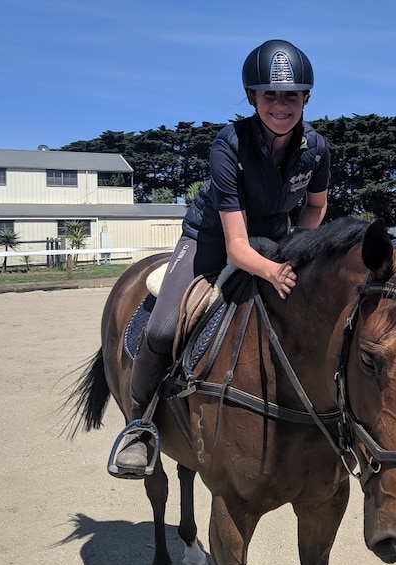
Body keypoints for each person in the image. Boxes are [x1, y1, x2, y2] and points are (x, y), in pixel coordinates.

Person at [112, 39, 330, 476]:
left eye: (291, 95)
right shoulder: (227, 146)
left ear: (306, 98)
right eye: (270, 94)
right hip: (210, 241)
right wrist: (274, 271)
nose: (281, 105)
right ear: (253, 97)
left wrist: (298, 253)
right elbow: (235, 248)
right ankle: (139, 426)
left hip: (275, 241)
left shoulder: (317, 149)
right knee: (163, 327)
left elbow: (316, 206)